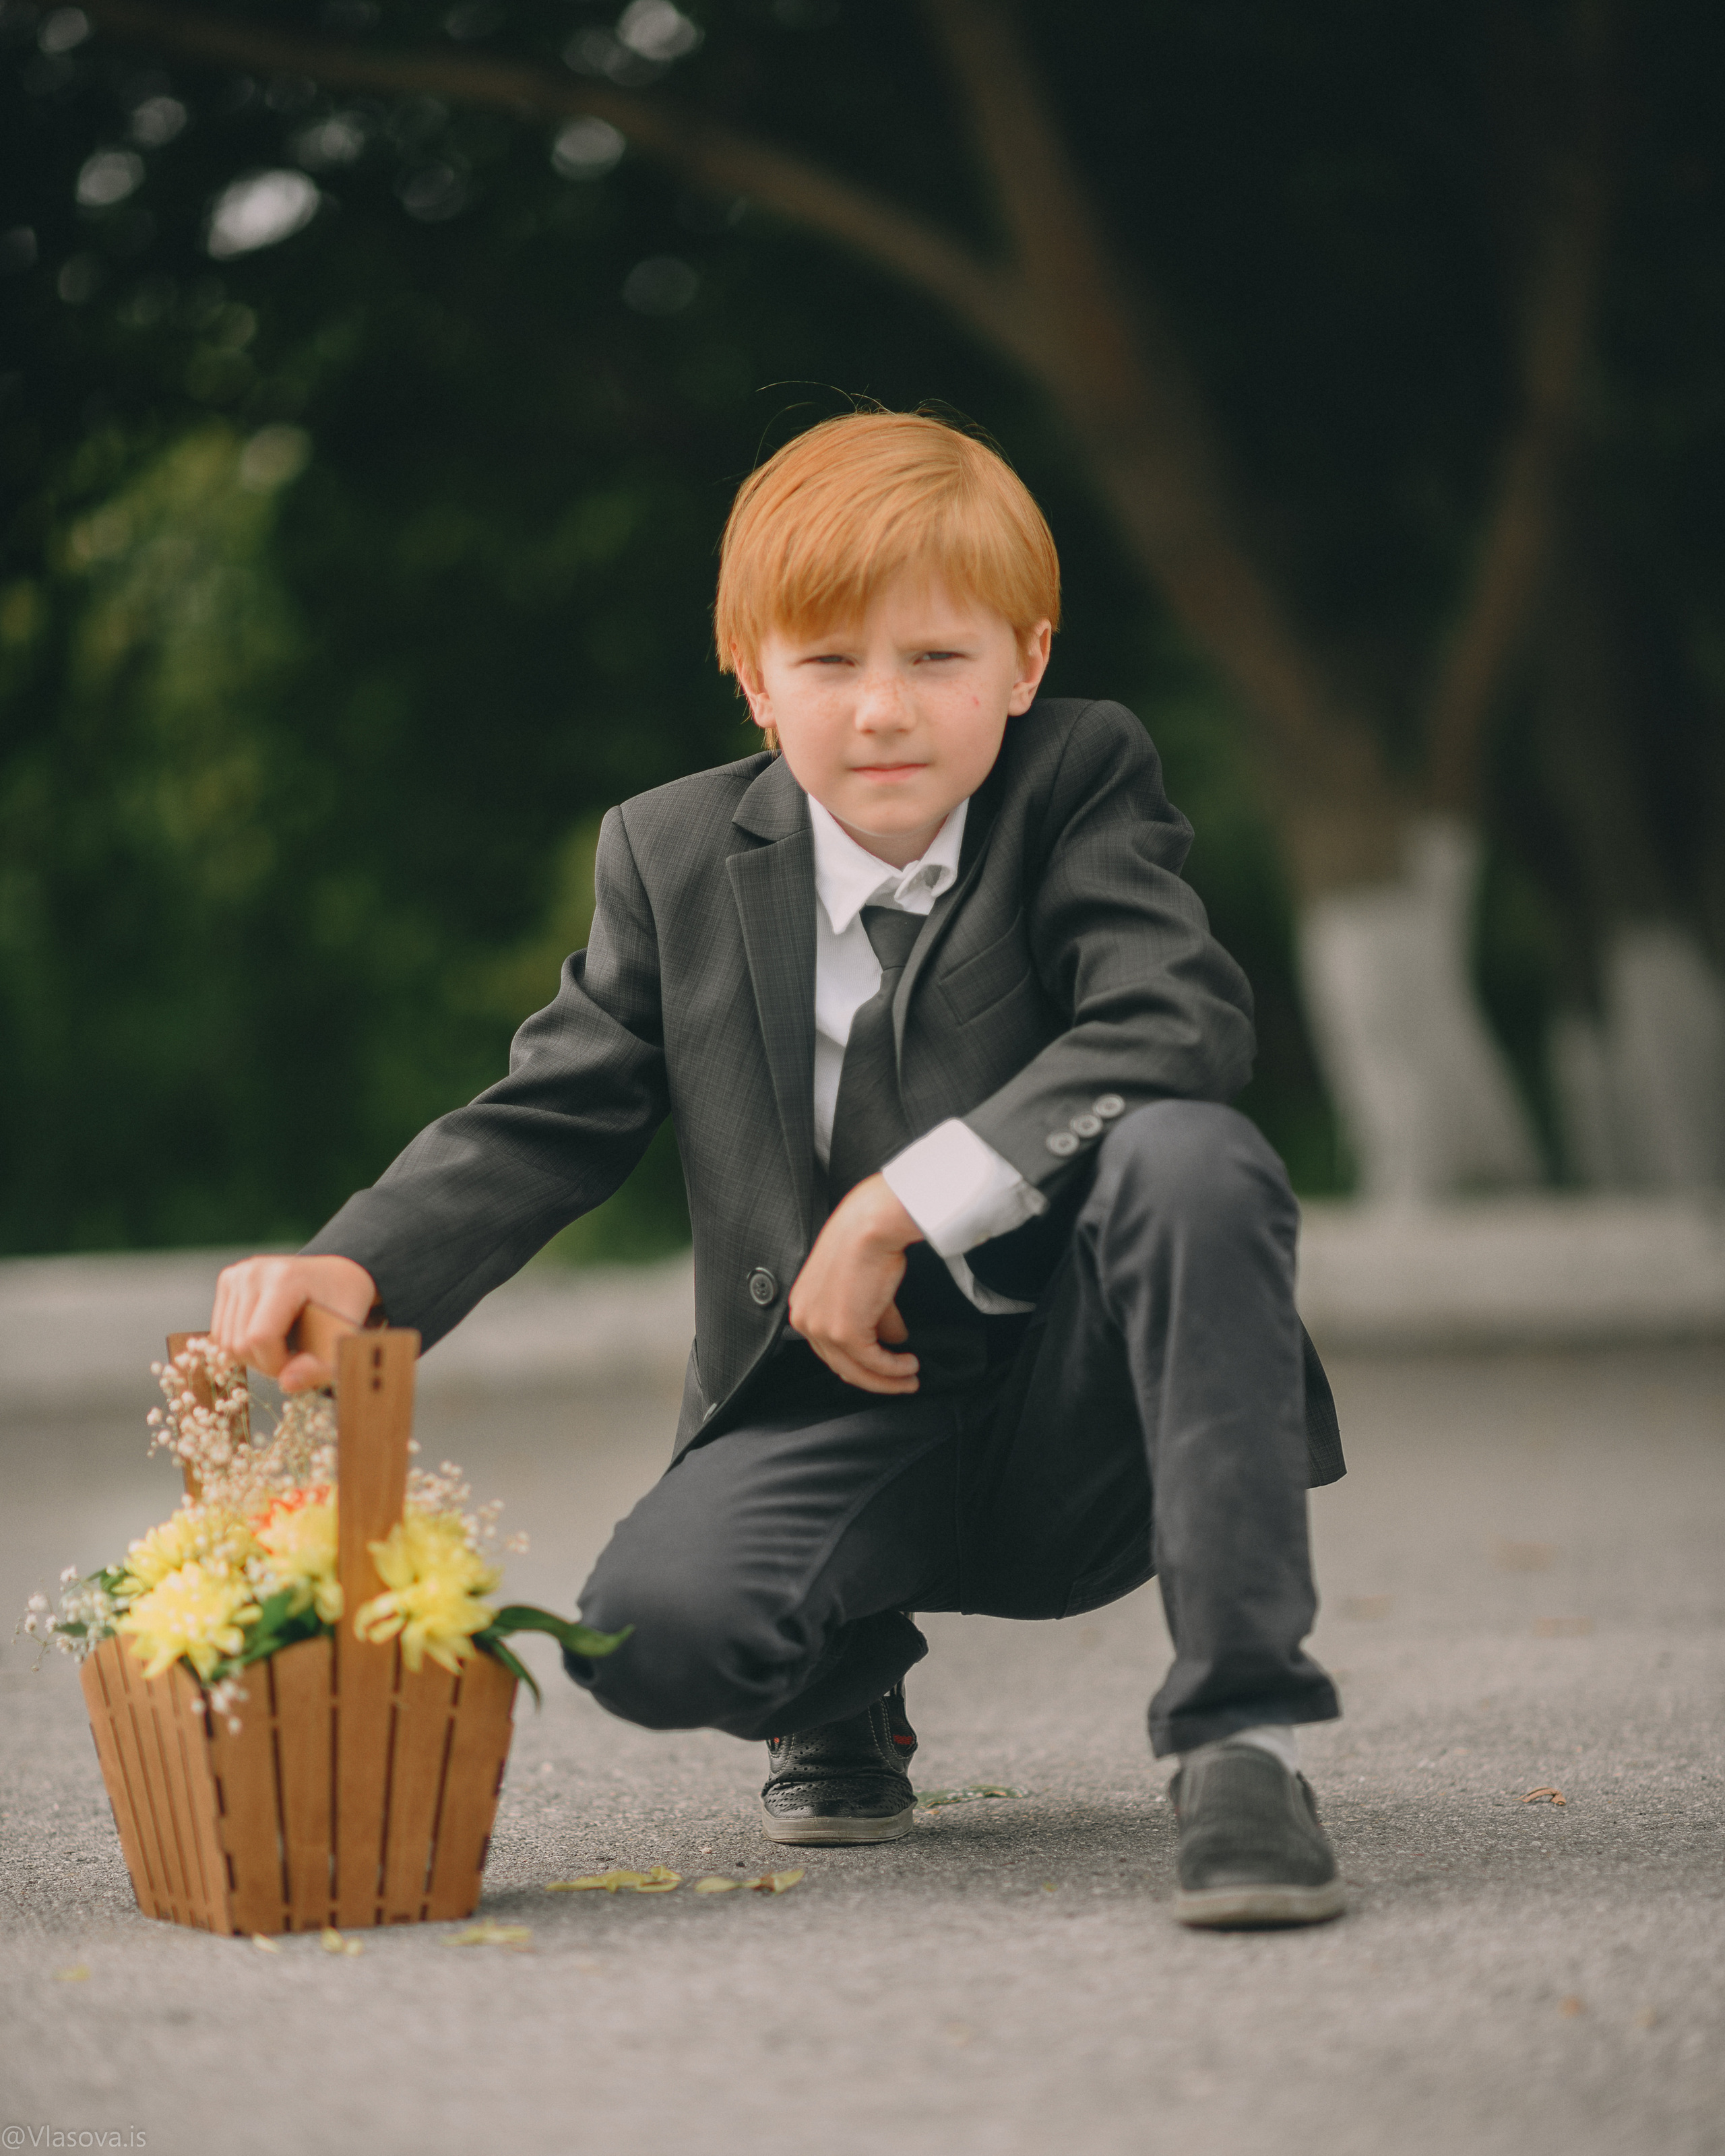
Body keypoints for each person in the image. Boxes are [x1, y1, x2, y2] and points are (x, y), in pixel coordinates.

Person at [210, 410, 1348, 1930]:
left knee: (1191, 1153)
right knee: (651, 1641)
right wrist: (362, 1261)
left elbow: (1174, 1019)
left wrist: (900, 1200)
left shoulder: (1078, 778)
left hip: (1093, 1373)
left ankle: (1240, 1739)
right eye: (828, 663)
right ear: (753, 680)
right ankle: (837, 1682)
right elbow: (553, 1110)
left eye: (935, 660)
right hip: (829, 1380)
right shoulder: (669, 855)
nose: (883, 710)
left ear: (1022, 662)